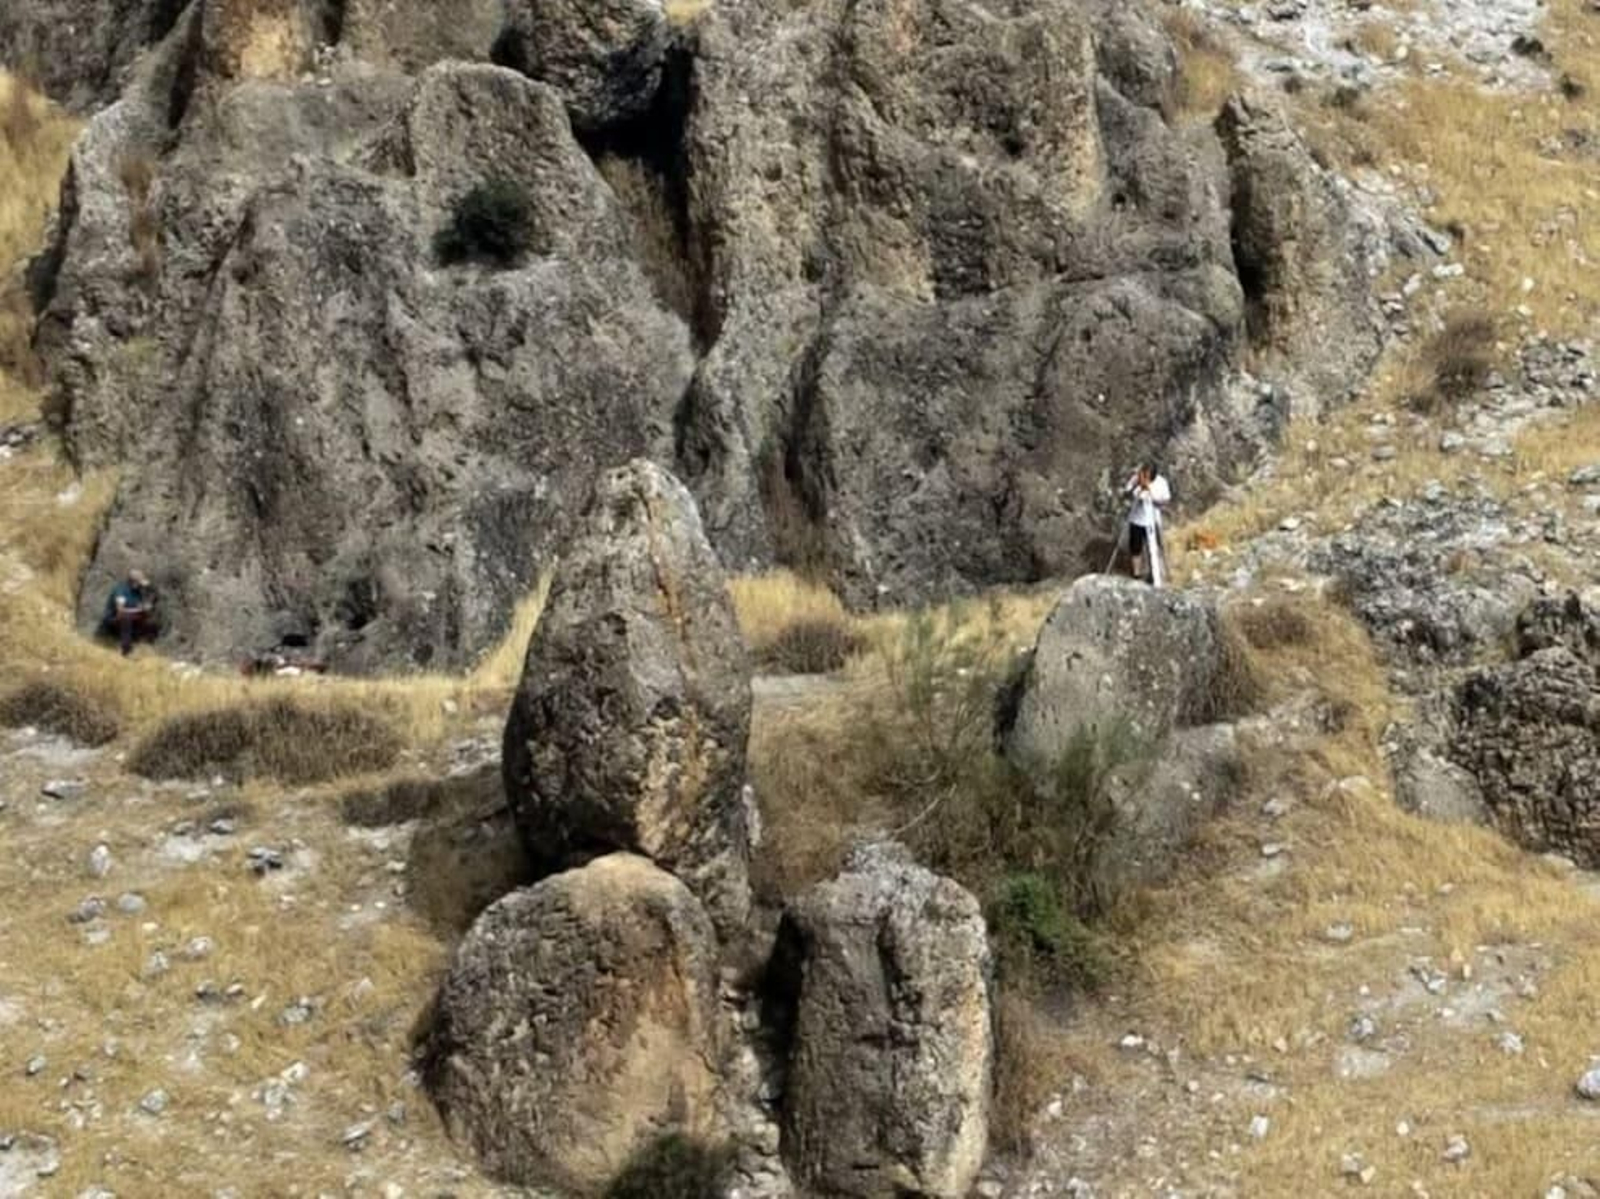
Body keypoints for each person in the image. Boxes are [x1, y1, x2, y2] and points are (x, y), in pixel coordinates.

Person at [1124, 462, 1172, 586]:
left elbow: (1164, 499)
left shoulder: (1161, 483)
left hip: (1152, 520)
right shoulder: (1136, 479)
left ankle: (1156, 575)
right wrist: (1136, 485)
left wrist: (1149, 490)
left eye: (1147, 475)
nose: (1144, 477)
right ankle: (1136, 574)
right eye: (1143, 474)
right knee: (1136, 547)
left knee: (1155, 547)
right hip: (1137, 519)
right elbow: (1128, 492)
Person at [100, 569, 159, 656]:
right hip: (114, 619)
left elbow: (154, 592)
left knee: (146, 616)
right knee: (126, 617)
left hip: (131, 617)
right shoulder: (121, 590)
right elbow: (120, 610)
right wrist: (140, 610)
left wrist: (149, 587)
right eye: (140, 582)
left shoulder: (137, 590)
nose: (142, 584)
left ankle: (140, 640)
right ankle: (126, 649)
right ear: (134, 583)